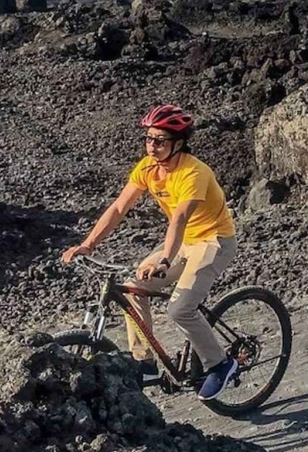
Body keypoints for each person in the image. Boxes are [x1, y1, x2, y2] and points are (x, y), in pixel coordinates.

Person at [61, 105, 240, 400]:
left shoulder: (193, 172)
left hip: (214, 241)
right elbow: (119, 208)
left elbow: (180, 218)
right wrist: (88, 244)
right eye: (148, 139)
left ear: (178, 143)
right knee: (134, 288)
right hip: (184, 241)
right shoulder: (147, 168)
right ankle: (145, 363)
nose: (152, 146)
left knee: (180, 309)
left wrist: (165, 260)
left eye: (160, 141)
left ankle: (220, 364)